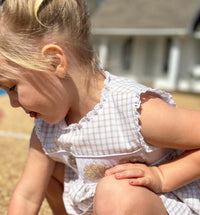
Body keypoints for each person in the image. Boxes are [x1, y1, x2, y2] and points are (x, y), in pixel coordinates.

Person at [0, 0, 200, 215]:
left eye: (12, 87)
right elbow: (27, 195)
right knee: (50, 171)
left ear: (53, 62)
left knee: (116, 190)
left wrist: (163, 177)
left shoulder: (133, 110)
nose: (13, 102)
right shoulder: (47, 127)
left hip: (162, 203)